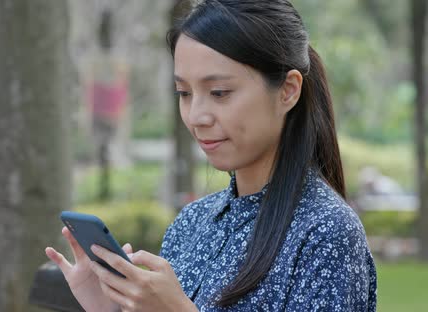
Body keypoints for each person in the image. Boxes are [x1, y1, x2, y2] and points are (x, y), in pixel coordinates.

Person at [45, 0, 377, 311]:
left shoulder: (327, 231)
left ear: (288, 90)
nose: (197, 116)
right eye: (184, 93)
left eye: (219, 93)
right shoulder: (190, 223)